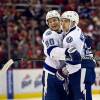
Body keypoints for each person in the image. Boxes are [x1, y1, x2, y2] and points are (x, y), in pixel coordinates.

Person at [42, 10, 68, 100]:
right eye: (50, 21)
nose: (53, 23)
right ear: (48, 24)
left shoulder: (66, 32)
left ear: (60, 20)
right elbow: (53, 52)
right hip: (51, 75)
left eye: (54, 20)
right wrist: (70, 54)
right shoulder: (48, 34)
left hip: (64, 74)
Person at [61, 11, 86, 100]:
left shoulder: (69, 38)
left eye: (66, 21)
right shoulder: (77, 30)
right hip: (78, 70)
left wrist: (65, 66)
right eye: (62, 21)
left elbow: (75, 59)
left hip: (76, 72)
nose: (63, 24)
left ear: (73, 23)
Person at [81, 35, 96, 100]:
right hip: (88, 72)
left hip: (84, 71)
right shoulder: (90, 53)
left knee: (83, 92)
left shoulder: (84, 52)